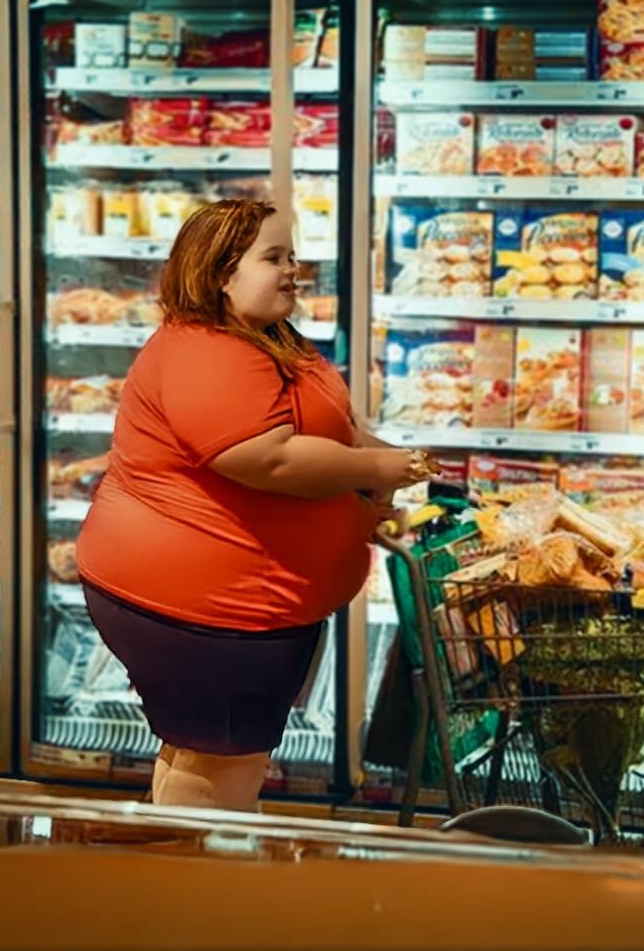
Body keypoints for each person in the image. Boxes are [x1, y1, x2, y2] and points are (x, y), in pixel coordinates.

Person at [76, 199, 433, 811]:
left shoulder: (264, 336)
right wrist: (377, 468)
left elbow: (327, 429)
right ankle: (205, 888)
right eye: (273, 257)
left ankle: (177, 865)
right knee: (223, 763)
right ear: (221, 272)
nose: (293, 268)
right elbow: (264, 458)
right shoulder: (206, 351)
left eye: (292, 254)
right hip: (202, 610)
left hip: (230, 605)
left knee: (201, 754)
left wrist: (371, 481)